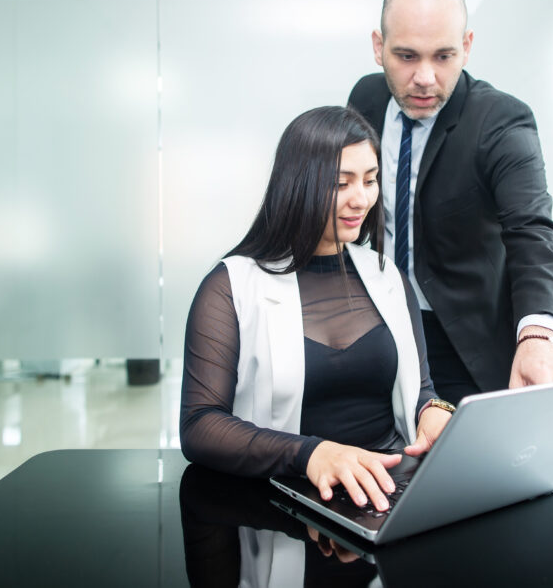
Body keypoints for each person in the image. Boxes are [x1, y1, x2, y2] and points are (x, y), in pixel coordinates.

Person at [180, 105, 453, 513]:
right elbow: (200, 426)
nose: (361, 199)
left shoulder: (387, 277)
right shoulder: (230, 287)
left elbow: (420, 389)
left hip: (386, 493)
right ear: (298, 184)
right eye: (341, 183)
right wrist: (311, 454)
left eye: (370, 180)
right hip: (284, 501)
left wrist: (434, 411)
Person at [348, 0, 553, 404]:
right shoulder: (365, 98)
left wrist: (539, 336)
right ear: (378, 47)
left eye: (443, 56)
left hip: (461, 341)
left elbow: (534, 232)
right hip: (377, 325)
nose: (424, 77)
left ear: (467, 47)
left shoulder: (500, 122)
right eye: (406, 56)